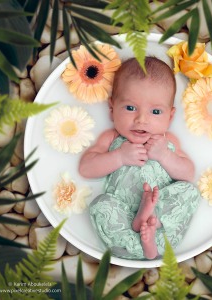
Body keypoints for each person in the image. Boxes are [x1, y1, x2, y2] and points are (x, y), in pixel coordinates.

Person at [79, 57, 200, 260]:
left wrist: (165, 155)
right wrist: (118, 157)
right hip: (123, 216)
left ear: (170, 117)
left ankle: (152, 221)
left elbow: (188, 174)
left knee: (190, 192)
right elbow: (86, 169)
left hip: (160, 220)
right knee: (101, 205)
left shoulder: (167, 141)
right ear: (112, 109)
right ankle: (144, 245)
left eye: (155, 111)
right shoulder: (112, 139)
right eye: (130, 108)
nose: (141, 119)